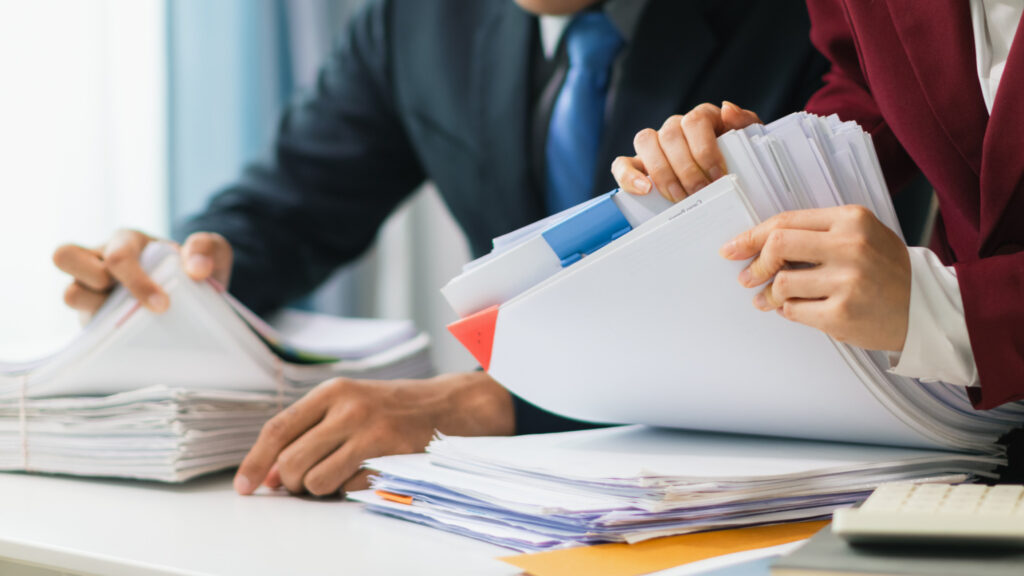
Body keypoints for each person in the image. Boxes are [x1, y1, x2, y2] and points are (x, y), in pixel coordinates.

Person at [50, 0, 827, 497]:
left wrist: (499, 404)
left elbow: (808, 338)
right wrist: (184, 273)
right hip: (508, 513)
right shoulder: (417, 21)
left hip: (739, 495)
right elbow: (294, 205)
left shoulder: (810, 21)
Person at [611, 0, 1024, 410]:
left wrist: (946, 311)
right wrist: (768, 166)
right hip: (968, 411)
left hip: (953, 347)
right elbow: (868, 77)